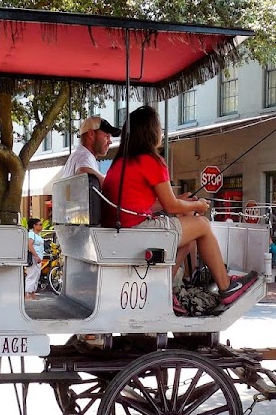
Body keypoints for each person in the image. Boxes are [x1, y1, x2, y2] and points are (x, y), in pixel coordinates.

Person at [101, 105, 257, 309]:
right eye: (159, 127)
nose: (162, 132)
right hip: (137, 232)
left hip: (123, 231)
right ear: (151, 131)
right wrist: (199, 204)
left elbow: (140, 204)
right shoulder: (151, 160)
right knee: (201, 225)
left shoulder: (120, 162)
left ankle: (164, 286)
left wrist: (181, 200)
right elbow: (171, 206)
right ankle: (227, 286)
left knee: (187, 228)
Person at [57, 115, 122, 182]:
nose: (110, 142)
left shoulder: (77, 155)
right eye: (107, 137)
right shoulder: (84, 156)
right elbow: (83, 171)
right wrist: (108, 185)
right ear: (91, 134)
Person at [24, 218, 45, 300]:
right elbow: (30, 245)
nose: (41, 226)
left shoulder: (37, 235)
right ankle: (28, 293)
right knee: (32, 274)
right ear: (34, 225)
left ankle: (32, 292)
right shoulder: (31, 234)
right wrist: (36, 255)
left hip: (38, 257)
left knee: (36, 275)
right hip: (34, 257)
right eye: (40, 224)